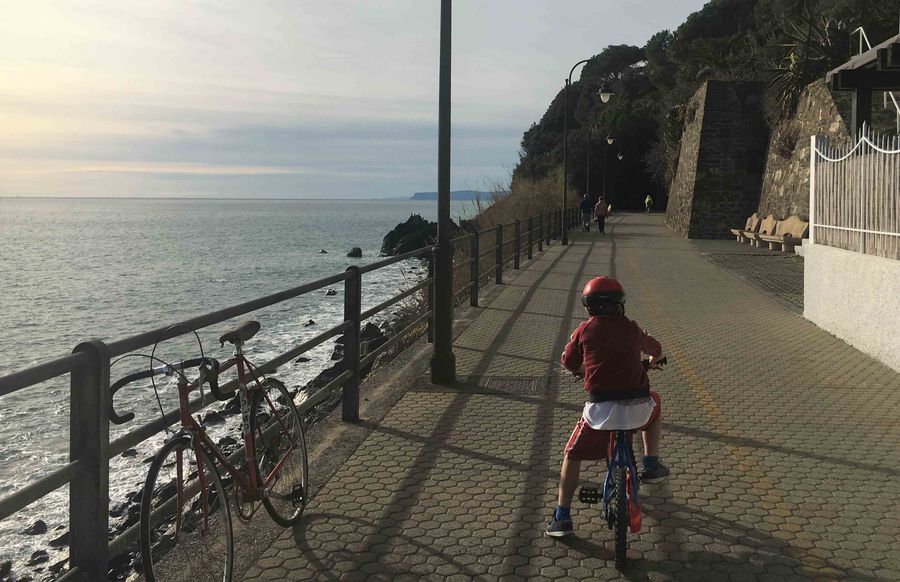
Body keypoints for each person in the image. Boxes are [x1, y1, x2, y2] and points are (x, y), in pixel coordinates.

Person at [546, 276, 669, 538]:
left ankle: (562, 517)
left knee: (572, 454)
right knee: (656, 403)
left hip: (599, 413)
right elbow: (656, 348)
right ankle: (651, 463)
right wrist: (654, 359)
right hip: (638, 407)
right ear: (620, 304)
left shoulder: (584, 330)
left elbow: (568, 361)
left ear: (588, 306)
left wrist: (583, 370)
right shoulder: (632, 328)